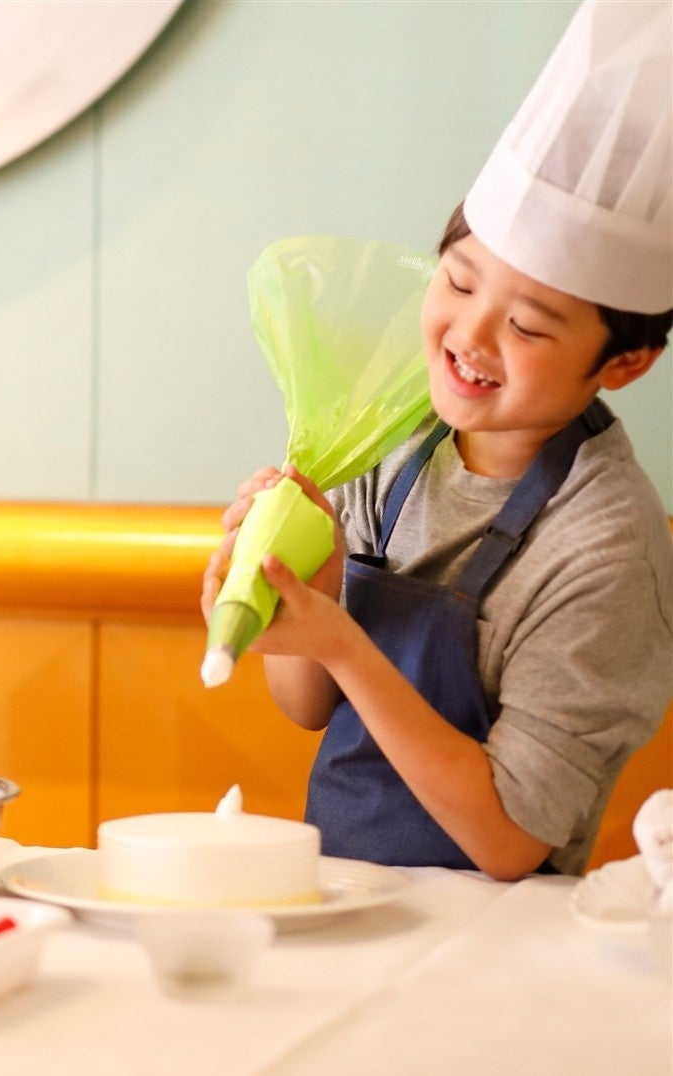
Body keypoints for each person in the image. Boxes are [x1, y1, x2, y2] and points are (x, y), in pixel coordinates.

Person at [202, 0, 672, 879]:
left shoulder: (607, 549)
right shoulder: (384, 435)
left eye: (527, 327)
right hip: (346, 895)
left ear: (625, 363)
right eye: (457, 283)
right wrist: (296, 588)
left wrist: (345, 641)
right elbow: (308, 706)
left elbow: (511, 841)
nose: (470, 336)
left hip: (498, 935)